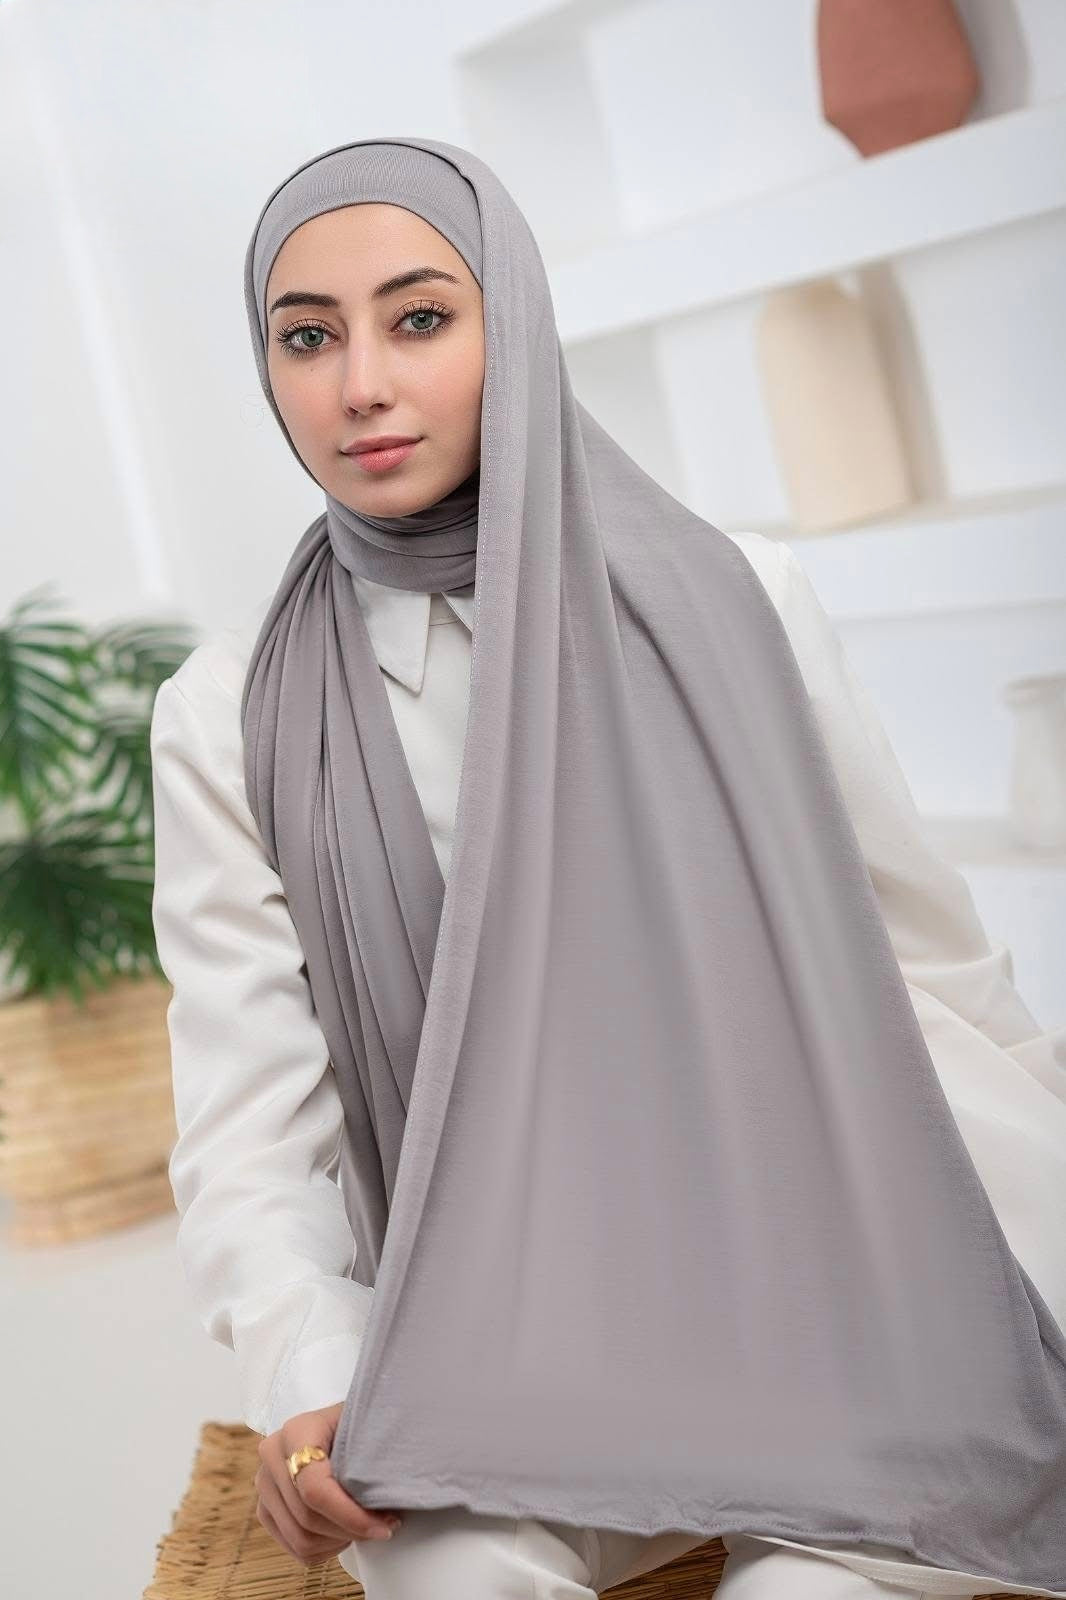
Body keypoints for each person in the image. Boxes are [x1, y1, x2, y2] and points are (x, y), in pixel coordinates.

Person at [150, 138, 1066, 1599]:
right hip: (496, 1325)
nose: (361, 383)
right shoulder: (228, 716)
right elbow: (252, 1125)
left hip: (822, 1250)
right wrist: (310, 1375)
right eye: (307, 336)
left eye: (421, 317)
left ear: (513, 322)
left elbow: (924, 956)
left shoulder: (737, 596)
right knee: (458, 1580)